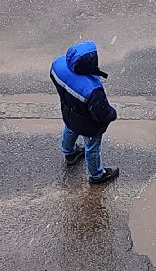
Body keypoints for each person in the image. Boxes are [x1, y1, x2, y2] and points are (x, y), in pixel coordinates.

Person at [50, 40, 119, 184]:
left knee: (70, 129)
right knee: (92, 146)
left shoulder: (58, 66)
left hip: (69, 112)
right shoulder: (92, 89)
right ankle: (97, 175)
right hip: (89, 124)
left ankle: (69, 153)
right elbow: (102, 113)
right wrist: (112, 114)